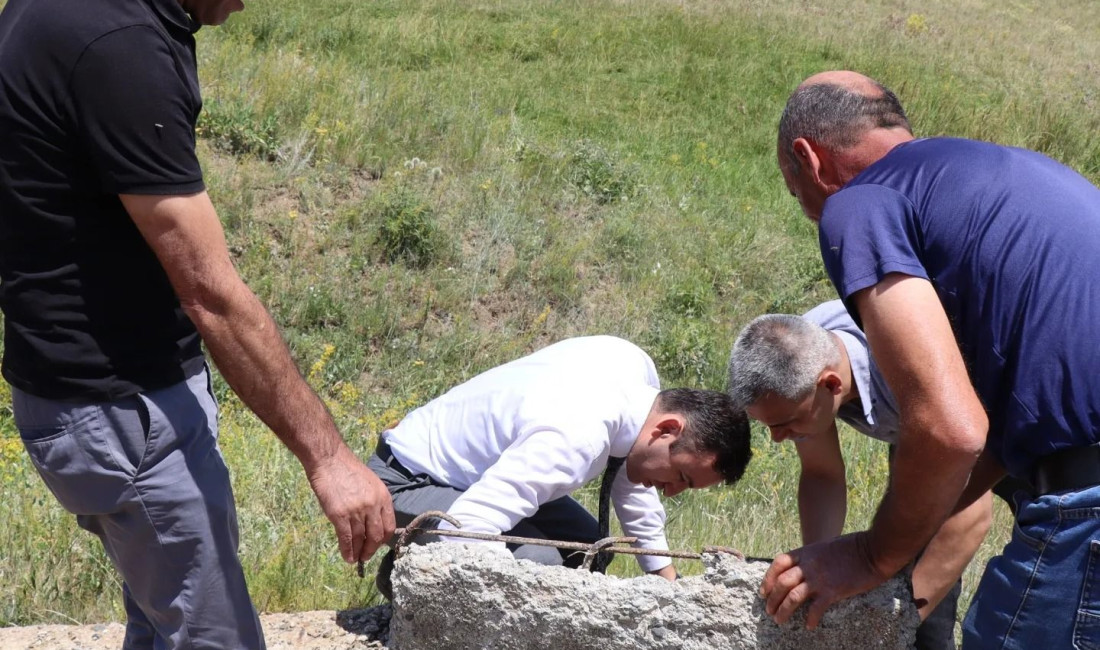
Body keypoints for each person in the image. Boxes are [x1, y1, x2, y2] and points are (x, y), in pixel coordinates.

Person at [0, 1, 395, 648]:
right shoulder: (120, 44)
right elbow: (210, 292)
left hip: (73, 395)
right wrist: (330, 461)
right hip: (124, 414)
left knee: (160, 629)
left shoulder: (60, 10)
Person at [760, 70, 1100, 649]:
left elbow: (950, 430)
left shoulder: (862, 202)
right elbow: (989, 434)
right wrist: (908, 534)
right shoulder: (1008, 177)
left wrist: (870, 555)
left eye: (798, 198)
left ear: (807, 160)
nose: (812, 215)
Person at [368, 336, 752, 597]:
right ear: (668, 428)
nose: (671, 491)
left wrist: (671, 587)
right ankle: (405, 579)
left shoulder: (635, 374)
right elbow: (469, 527)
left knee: (590, 550)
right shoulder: (576, 436)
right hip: (408, 478)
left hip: (484, 474)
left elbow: (631, 480)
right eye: (681, 477)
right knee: (541, 565)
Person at [727, 300, 997, 649]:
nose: (777, 439)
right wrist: (815, 572)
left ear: (831, 385)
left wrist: (893, 625)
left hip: (1031, 431)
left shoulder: (910, 372)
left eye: (786, 424)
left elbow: (967, 515)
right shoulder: (801, 354)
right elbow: (821, 473)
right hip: (926, 429)